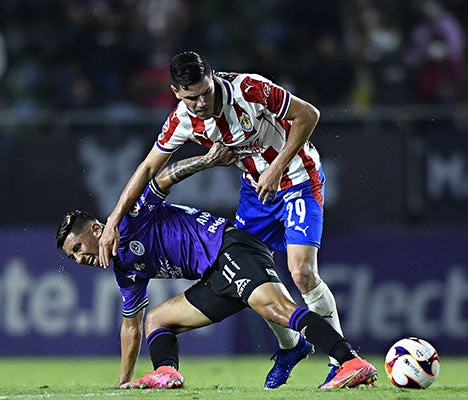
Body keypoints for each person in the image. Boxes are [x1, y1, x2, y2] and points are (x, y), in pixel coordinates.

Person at [97, 50, 344, 388]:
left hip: (298, 177)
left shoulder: (250, 89)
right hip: (257, 191)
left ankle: (338, 364)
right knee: (250, 268)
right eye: (190, 97)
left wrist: (276, 167)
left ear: (212, 77)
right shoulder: (182, 119)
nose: (199, 103)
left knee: (301, 272)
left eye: (204, 93)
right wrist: (113, 221)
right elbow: (148, 169)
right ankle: (291, 348)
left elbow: (308, 115)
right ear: (175, 93)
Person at [56, 142, 377, 390]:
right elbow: (132, 327)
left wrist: (207, 160)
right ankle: (166, 372)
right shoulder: (125, 269)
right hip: (214, 276)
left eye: (78, 248)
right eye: (73, 258)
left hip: (230, 249)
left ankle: (349, 361)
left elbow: (163, 178)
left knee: (277, 308)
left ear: (97, 229)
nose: (80, 259)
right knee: (156, 320)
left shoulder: (129, 219)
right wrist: (123, 380)